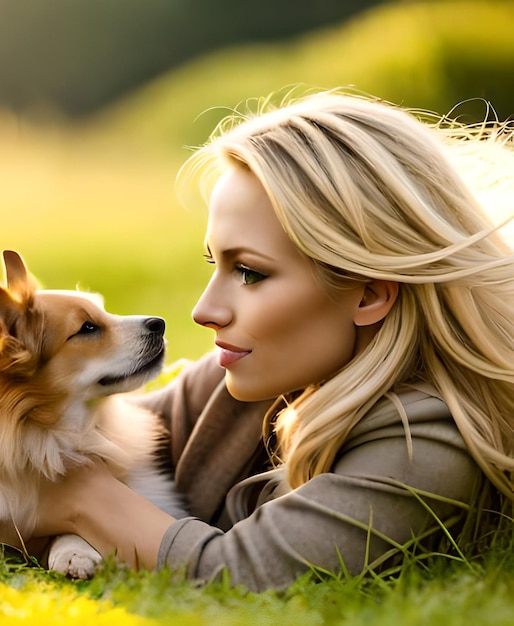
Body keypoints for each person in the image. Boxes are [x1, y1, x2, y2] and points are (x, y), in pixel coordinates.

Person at [32, 90, 514, 592]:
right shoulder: (259, 375)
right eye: (212, 263)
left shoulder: (429, 443)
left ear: (369, 294)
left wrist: (80, 497)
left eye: (248, 272)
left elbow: (246, 575)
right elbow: (37, 453)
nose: (203, 311)